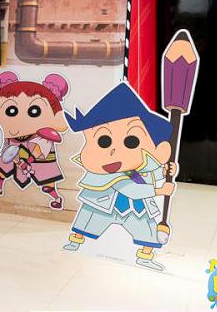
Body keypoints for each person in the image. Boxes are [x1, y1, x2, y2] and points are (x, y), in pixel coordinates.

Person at [62, 82, 177, 271]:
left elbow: (148, 173)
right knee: (87, 222)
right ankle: (76, 242)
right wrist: (159, 190)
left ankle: (145, 256)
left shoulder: (142, 166)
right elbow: (131, 190)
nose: (114, 151)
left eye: (131, 141)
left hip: (135, 209)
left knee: (147, 231)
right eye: (104, 141)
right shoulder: (105, 175)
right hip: (102, 204)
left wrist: (163, 171)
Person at [0, 71, 69, 209]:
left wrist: (28, 161)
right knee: (1, 169)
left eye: (34, 111)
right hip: (12, 152)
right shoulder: (7, 134)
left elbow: (39, 150)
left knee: (47, 180)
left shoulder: (43, 136)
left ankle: (56, 198)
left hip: (39, 160)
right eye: (11, 111)